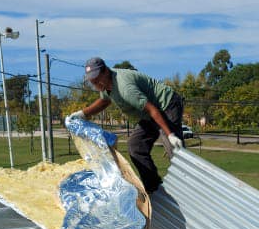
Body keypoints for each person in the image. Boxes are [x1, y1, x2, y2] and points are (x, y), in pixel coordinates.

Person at [67, 57, 184, 194]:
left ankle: (188, 187)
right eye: (92, 82)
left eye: (96, 80)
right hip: (148, 114)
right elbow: (104, 102)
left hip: (166, 104)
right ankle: (154, 187)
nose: (95, 84)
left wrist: (170, 134)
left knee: (173, 148)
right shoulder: (106, 84)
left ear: (105, 72)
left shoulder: (125, 88)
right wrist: (82, 114)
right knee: (135, 146)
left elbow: (152, 109)